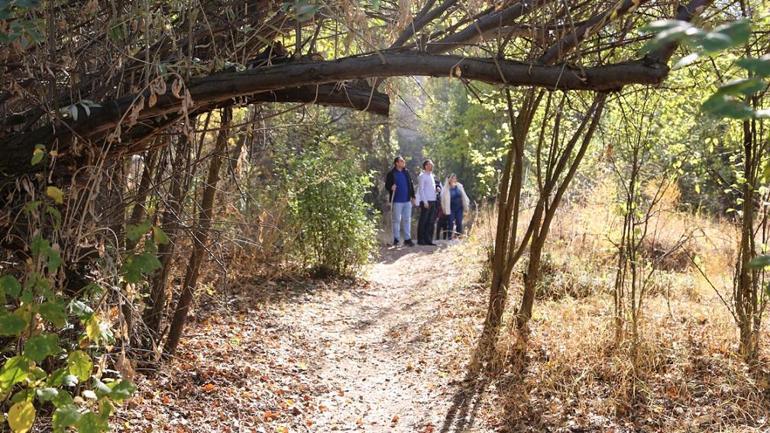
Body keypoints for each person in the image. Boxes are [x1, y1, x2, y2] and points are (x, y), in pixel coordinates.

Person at [384, 156, 416, 246]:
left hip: (407, 200)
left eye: (403, 161)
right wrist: (391, 187)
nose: (403, 162)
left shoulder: (406, 172)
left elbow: (410, 184)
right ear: (396, 163)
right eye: (401, 161)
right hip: (397, 201)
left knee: (407, 220)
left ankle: (407, 239)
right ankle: (396, 239)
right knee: (396, 220)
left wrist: (413, 196)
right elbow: (387, 185)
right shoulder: (391, 173)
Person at [416, 159, 439, 246]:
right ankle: (421, 240)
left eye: (432, 164)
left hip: (433, 201)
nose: (432, 166)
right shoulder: (422, 176)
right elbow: (421, 190)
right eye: (430, 164)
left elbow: (430, 189)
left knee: (431, 221)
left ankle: (428, 240)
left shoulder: (432, 176)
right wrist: (425, 202)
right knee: (423, 221)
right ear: (426, 166)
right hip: (426, 201)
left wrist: (437, 189)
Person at [440, 174, 470, 239]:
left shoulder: (459, 186)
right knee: (450, 222)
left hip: (459, 208)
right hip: (451, 208)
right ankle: (450, 237)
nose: (454, 180)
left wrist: (466, 204)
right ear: (449, 180)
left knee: (459, 222)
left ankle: (459, 236)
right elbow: (442, 200)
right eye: (452, 178)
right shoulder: (445, 188)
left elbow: (464, 196)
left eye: (455, 178)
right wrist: (444, 209)